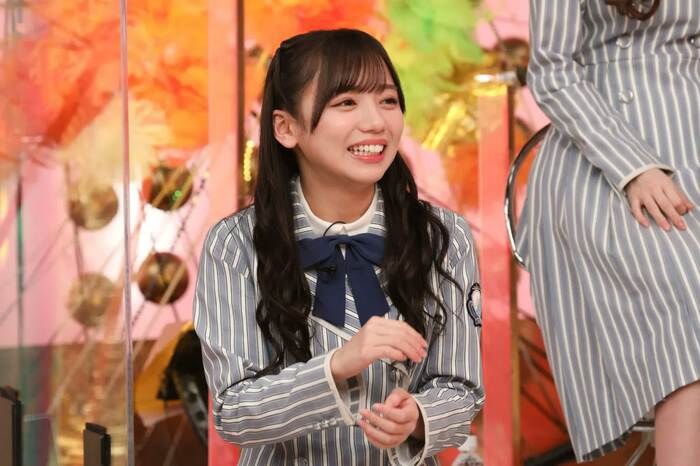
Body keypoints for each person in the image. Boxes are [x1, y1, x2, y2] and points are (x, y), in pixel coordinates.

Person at [193, 29, 484, 465]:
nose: (376, 122)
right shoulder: (235, 244)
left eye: (387, 100)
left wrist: (419, 417)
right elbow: (234, 413)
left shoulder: (443, 235)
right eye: (346, 102)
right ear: (286, 127)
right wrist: (337, 366)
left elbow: (461, 389)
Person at [519, 0, 700, 463]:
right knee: (688, 299)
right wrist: (633, 167)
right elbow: (552, 71)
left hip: (692, 137)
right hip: (603, 163)